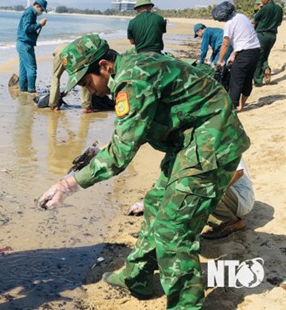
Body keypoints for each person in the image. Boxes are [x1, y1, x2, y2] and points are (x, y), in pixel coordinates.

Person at [38, 34, 250, 309]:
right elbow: (130, 135)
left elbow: (120, 155)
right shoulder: (134, 67)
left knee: (174, 230)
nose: (88, 90)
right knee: (155, 204)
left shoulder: (132, 82)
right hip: (189, 141)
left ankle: (185, 305)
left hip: (211, 144)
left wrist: (68, 185)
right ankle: (135, 277)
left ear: (104, 66)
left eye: (87, 82)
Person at [126, 158, 255, 240]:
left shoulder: (223, 138)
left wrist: (206, 193)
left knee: (200, 187)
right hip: (223, 194)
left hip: (240, 199)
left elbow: (237, 173)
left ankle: (232, 221)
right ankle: (157, 229)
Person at [213, 1, 261, 112]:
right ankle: (241, 106)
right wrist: (233, 54)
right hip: (255, 50)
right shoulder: (241, 17)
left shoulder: (230, 23)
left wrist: (220, 61)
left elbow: (225, 43)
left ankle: (232, 108)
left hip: (245, 53)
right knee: (248, 79)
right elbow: (244, 37)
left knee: (236, 80)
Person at [49, 43, 113, 113]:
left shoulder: (58, 50)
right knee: (84, 77)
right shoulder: (72, 47)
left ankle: (54, 105)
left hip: (60, 55)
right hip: (69, 55)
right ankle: (87, 106)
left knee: (56, 77)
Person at [201, 158, 254, 239]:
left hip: (241, 199)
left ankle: (231, 222)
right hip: (231, 196)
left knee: (202, 189)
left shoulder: (227, 147)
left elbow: (239, 172)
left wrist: (218, 191)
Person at [252, 0, 283, 86]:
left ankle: (257, 80)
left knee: (258, 58)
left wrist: (260, 9)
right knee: (265, 55)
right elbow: (279, 23)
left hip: (262, 35)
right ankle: (266, 68)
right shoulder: (279, 9)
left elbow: (255, 19)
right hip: (272, 35)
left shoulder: (265, 8)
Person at [16, 0, 48, 93]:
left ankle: (23, 90)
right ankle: (31, 90)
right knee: (32, 68)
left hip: (22, 44)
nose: (41, 12)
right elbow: (27, 28)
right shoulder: (30, 13)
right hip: (25, 44)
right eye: (42, 10)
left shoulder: (31, 13)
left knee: (23, 69)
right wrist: (40, 24)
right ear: (37, 6)